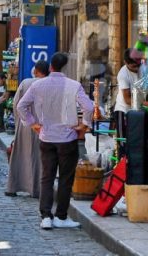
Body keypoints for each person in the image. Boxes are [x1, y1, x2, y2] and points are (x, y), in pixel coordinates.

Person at [17, 53, 93, 230]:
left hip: (47, 136)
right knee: (66, 178)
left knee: (47, 177)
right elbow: (89, 107)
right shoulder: (74, 85)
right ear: (66, 68)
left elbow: (21, 106)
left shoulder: (38, 84)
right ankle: (61, 216)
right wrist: (84, 125)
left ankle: (45, 216)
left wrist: (32, 123)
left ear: (51, 67)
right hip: (67, 138)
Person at [5, 60, 49, 197]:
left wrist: (19, 122)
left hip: (25, 124)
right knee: (40, 157)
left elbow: (16, 104)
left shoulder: (26, 83)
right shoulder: (50, 84)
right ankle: (37, 189)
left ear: (35, 71)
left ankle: (13, 186)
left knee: (20, 154)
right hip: (43, 125)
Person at [114, 48, 141, 113]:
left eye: (138, 65)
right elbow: (127, 100)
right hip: (123, 111)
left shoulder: (142, 67)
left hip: (137, 109)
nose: (137, 68)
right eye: (134, 66)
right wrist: (146, 104)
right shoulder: (123, 75)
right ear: (125, 63)